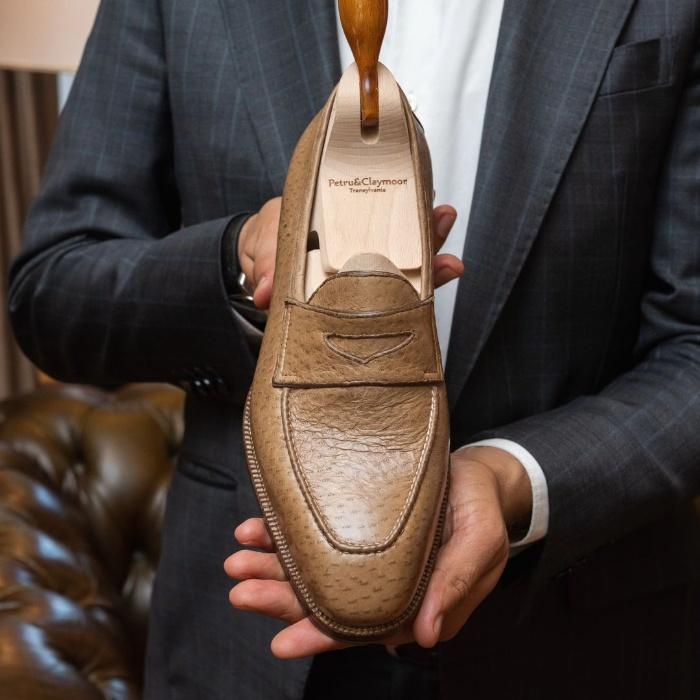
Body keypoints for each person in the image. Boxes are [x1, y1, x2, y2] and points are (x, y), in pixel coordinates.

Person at [8, 1, 700, 698]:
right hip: (242, 646)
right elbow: (53, 288)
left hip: (571, 640)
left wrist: (514, 477)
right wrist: (243, 259)